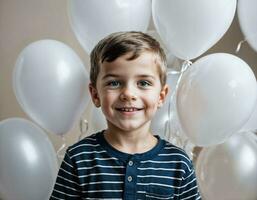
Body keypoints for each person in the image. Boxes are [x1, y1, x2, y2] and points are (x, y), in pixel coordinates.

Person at [50, 31, 201, 200]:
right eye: (114, 83)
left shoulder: (178, 163)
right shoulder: (78, 158)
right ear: (95, 95)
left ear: (161, 96)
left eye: (143, 83)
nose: (128, 94)